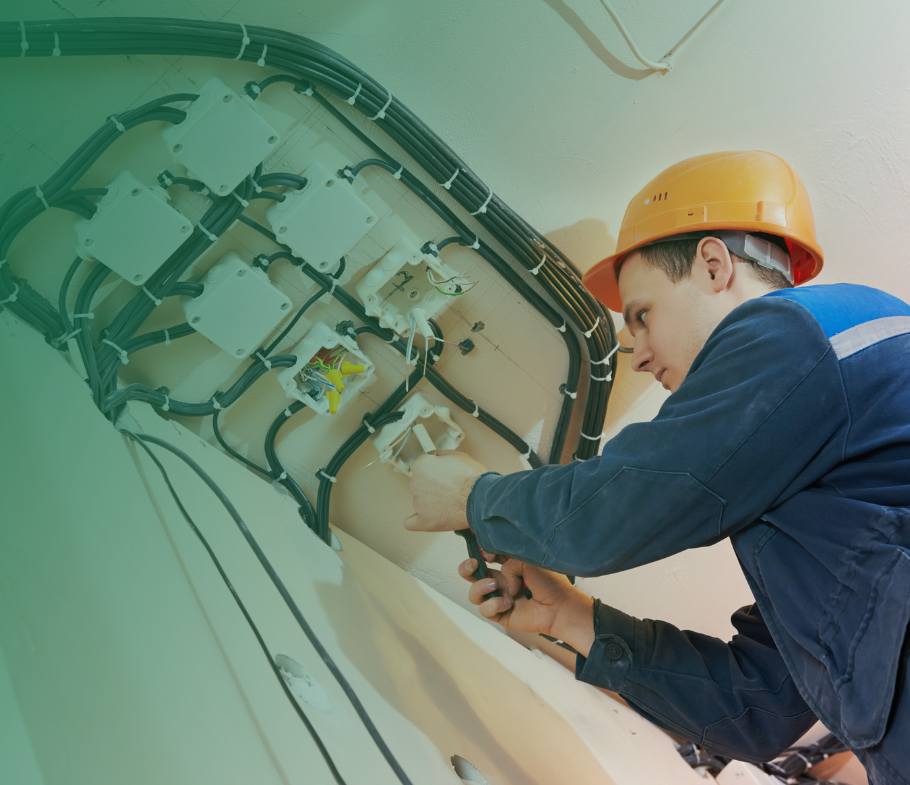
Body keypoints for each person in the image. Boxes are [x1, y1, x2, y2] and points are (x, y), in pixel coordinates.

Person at [405, 151, 910, 784]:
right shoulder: (821, 481)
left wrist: (472, 496)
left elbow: (616, 513)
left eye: (642, 316)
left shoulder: (798, 332)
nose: (639, 357)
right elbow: (759, 710)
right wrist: (570, 617)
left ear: (713, 264)